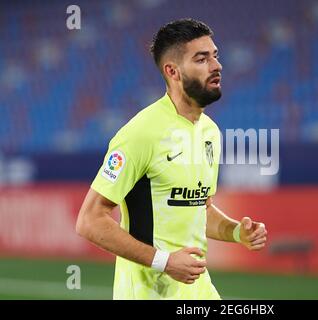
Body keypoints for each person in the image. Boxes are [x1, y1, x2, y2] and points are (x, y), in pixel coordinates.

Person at [76, 18, 268, 300]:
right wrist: (164, 261)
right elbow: (89, 220)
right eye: (201, 59)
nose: (216, 66)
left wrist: (238, 232)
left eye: (215, 56)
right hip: (147, 292)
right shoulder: (140, 133)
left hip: (198, 289)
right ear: (173, 71)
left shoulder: (210, 132)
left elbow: (197, 210)